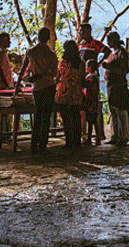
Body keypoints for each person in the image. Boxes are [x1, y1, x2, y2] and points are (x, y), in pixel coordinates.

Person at [15, 27, 58, 155]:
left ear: (38, 37)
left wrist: (17, 86)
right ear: (49, 38)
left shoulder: (30, 52)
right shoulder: (51, 54)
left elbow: (22, 70)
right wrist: (43, 75)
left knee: (38, 115)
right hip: (49, 87)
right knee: (46, 117)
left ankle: (34, 144)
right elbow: (54, 74)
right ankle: (42, 145)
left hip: (37, 87)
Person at [101, 31, 129, 146]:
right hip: (111, 86)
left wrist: (109, 67)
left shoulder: (121, 52)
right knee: (113, 111)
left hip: (119, 85)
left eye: (109, 41)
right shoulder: (113, 52)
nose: (108, 43)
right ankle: (115, 135)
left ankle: (124, 136)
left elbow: (124, 70)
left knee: (121, 111)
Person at [55, 40, 84, 149]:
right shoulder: (81, 62)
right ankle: (77, 141)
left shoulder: (63, 62)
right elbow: (82, 77)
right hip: (76, 93)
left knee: (67, 120)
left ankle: (69, 142)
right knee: (76, 118)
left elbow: (58, 78)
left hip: (64, 94)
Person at [82, 59, 104, 145]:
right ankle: (95, 138)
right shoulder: (95, 76)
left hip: (90, 100)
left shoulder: (91, 77)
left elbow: (88, 86)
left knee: (91, 120)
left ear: (90, 67)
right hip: (93, 100)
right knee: (93, 120)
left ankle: (92, 138)